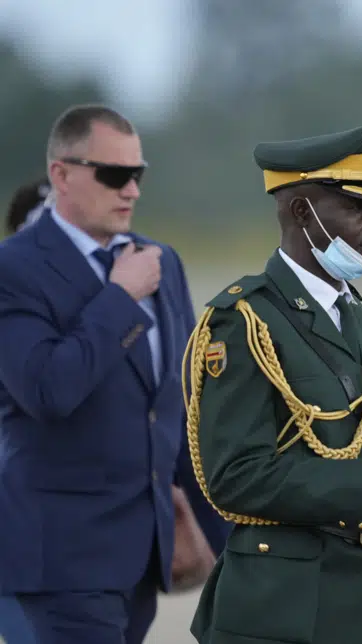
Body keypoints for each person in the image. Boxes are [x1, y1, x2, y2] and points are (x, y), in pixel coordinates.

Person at [185, 121, 362, 644]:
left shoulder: (350, 314)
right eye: (360, 207)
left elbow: (360, 440)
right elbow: (236, 477)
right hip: (287, 606)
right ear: (300, 211)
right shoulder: (245, 321)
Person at [0, 104, 230, 644]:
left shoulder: (160, 261)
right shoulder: (15, 269)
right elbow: (49, 390)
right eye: (114, 175)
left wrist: (229, 543)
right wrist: (120, 297)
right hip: (60, 562)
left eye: (138, 174)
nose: (131, 190)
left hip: (142, 562)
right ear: (61, 174)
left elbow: (184, 409)